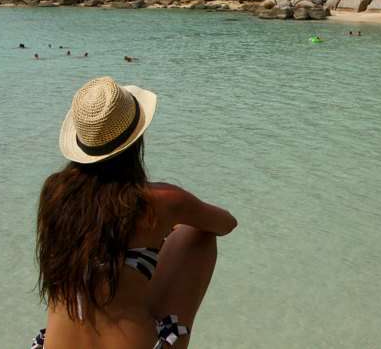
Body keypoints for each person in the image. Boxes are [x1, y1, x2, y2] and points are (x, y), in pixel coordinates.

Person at [33, 77, 236, 349]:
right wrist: (167, 228)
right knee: (197, 234)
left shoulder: (53, 194)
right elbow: (225, 223)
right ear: (135, 141)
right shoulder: (159, 200)